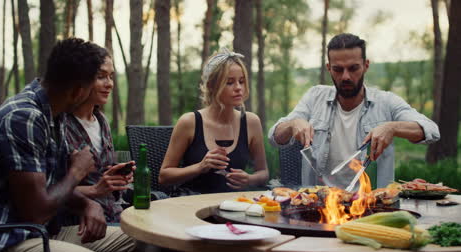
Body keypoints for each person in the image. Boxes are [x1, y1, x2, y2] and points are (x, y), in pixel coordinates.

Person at [0, 38, 140, 252]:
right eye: (97, 81)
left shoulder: (55, 114)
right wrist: (76, 172)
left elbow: (50, 187)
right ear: (78, 91)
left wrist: (87, 204)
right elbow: (35, 212)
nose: (107, 85)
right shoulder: (24, 117)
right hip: (12, 239)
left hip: (48, 232)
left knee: (149, 243)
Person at [269, 33, 440, 189]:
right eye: (338, 69)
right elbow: (274, 137)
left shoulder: (386, 101)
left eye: (353, 68)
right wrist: (292, 124)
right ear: (329, 68)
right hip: (318, 206)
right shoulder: (314, 97)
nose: (345, 77)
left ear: (366, 66)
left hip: (371, 208)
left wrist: (392, 128)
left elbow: (431, 130)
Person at [159, 48, 269, 194]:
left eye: (241, 81)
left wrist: (249, 179)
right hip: (191, 207)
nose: (238, 88)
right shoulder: (189, 122)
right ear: (211, 86)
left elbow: (263, 173)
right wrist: (200, 167)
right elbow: (164, 176)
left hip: (234, 206)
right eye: (229, 82)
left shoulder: (251, 122)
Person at [65, 54, 132, 224]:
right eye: (101, 76)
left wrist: (117, 179)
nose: (109, 83)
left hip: (114, 214)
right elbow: (51, 192)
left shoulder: (101, 121)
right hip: (81, 222)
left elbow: (103, 178)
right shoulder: (61, 124)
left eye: (111, 76)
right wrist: (95, 189)